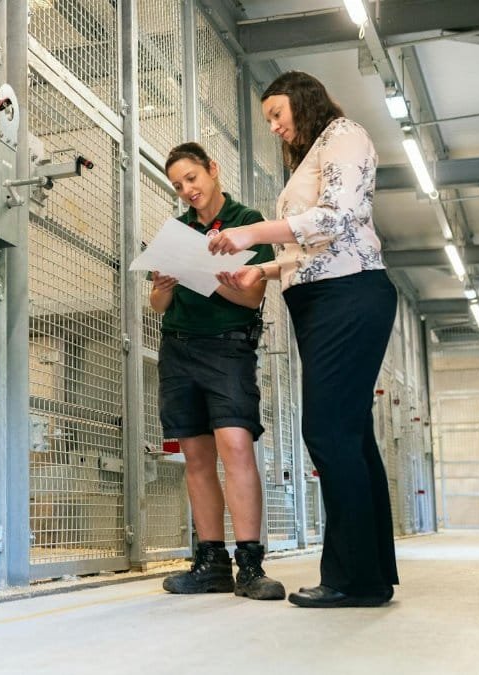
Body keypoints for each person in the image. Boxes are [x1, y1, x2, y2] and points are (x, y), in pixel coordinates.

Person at [209, 71, 399, 608]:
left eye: (276, 113)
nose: (273, 126)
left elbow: (339, 216)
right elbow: (307, 247)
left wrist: (251, 233)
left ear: (303, 99)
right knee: (351, 435)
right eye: (267, 119)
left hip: (350, 295)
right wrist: (263, 273)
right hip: (322, 300)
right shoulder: (315, 151)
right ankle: (371, 574)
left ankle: (352, 578)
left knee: (328, 432)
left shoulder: (345, 135)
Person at [151, 142, 284, 601]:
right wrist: (164, 285)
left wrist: (211, 281)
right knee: (196, 456)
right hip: (178, 348)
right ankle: (211, 562)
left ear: (213, 170)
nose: (187, 190)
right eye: (178, 185)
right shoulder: (178, 231)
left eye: (192, 178)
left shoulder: (248, 223)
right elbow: (157, 306)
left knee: (235, 447)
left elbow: (251, 299)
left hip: (228, 350)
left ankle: (250, 565)